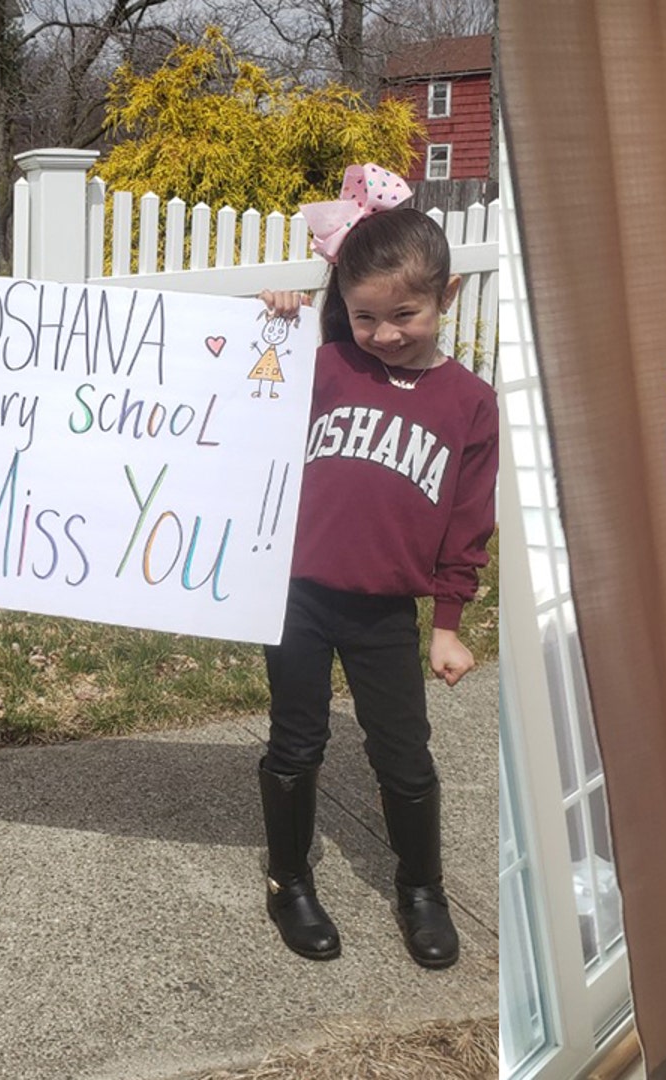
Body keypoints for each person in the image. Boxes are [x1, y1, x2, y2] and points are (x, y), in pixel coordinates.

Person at [252, 165, 497, 968]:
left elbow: (467, 522)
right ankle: (288, 879)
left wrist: (449, 625)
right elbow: (231, 394)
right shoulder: (326, 368)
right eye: (365, 317)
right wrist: (277, 326)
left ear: (446, 296)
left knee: (403, 751)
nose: (387, 332)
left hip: (385, 610)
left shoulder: (467, 402)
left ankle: (419, 887)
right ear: (342, 306)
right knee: (297, 742)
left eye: (406, 314)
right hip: (294, 596)